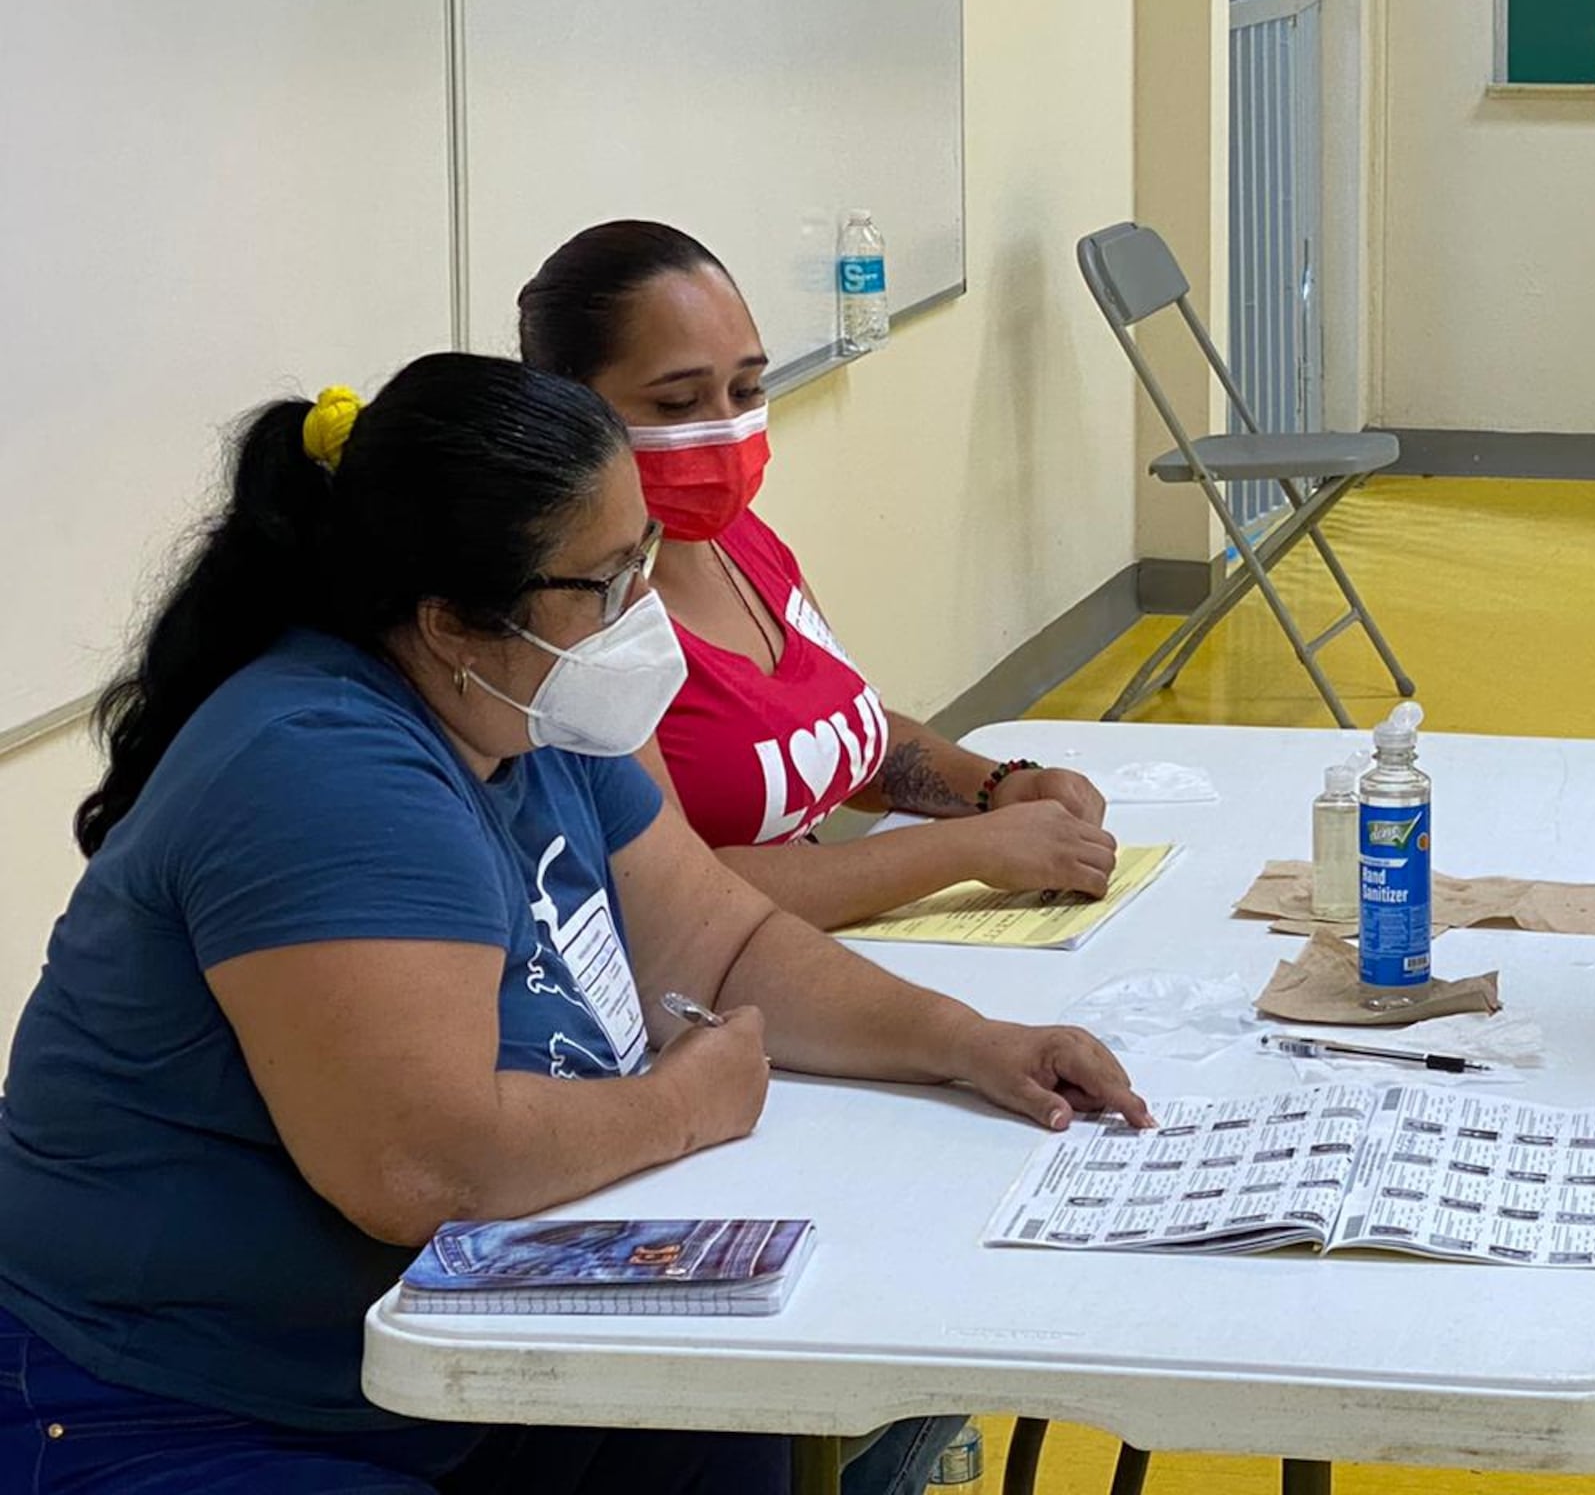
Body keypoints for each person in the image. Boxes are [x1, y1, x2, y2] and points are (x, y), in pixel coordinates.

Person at [0, 355, 1150, 1494]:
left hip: (462, 1360)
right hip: (178, 1400)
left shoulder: (528, 715)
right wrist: (682, 1106)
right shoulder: (326, 771)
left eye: (641, 556)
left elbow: (723, 940)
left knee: (760, 1424)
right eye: (602, 582)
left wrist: (970, 1042)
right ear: (452, 618)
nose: (641, 611)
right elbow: (420, 1165)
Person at [517, 223, 1119, 932]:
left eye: (746, 389)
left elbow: (839, 740)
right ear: (568, 406)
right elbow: (682, 892)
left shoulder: (738, 541)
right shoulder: (578, 616)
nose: (728, 429)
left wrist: (997, 787)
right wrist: (965, 849)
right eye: (679, 404)